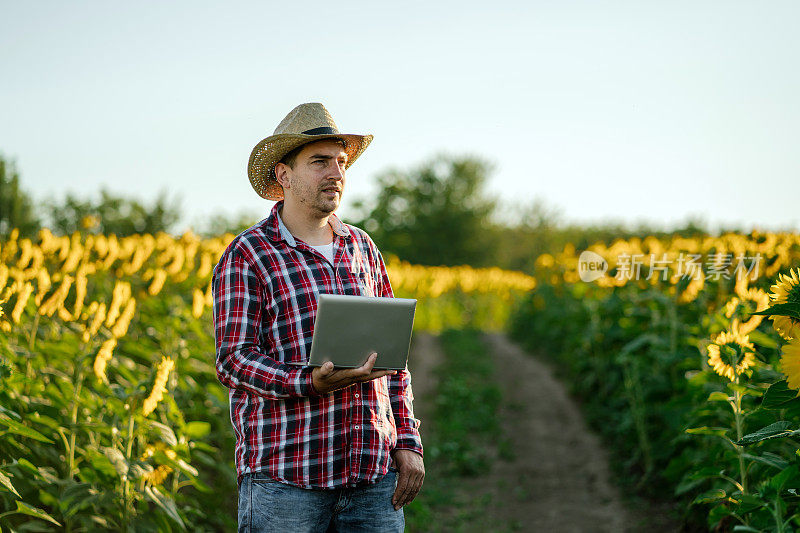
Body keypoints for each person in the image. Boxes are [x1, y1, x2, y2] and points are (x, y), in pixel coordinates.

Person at [212, 102, 424, 532]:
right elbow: (234, 360)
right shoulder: (249, 254)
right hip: (287, 480)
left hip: (372, 478)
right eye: (319, 161)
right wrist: (308, 382)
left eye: (341, 162)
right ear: (283, 175)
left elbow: (393, 358)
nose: (336, 173)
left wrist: (407, 440)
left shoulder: (362, 247)